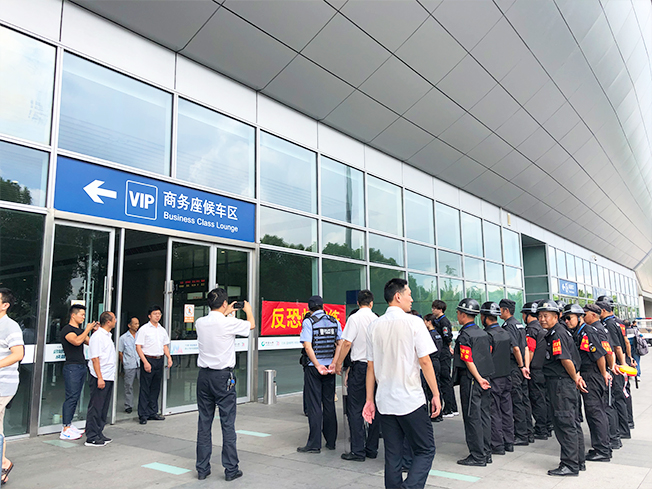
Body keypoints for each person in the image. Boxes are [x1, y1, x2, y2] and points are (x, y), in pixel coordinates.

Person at [363, 278, 440, 489]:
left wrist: (369, 400)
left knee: (393, 455)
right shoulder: (414, 322)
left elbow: (371, 367)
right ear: (398, 296)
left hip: (385, 401)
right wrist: (435, 394)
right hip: (410, 399)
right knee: (426, 449)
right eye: (409, 294)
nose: (411, 299)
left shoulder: (374, 326)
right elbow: (425, 361)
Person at [195, 289, 255, 482]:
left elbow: (216, 320)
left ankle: (202, 469)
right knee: (227, 423)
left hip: (204, 376)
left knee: (204, 422)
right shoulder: (228, 323)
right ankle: (231, 469)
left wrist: (226, 311)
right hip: (223, 377)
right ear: (224, 304)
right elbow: (251, 325)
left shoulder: (200, 322)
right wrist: (248, 310)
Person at [537, 299, 585, 476]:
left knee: (565, 423)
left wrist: (575, 378)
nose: (542, 319)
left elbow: (565, 359)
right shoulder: (559, 332)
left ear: (556, 317)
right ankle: (578, 461)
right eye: (540, 316)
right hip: (563, 383)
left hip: (561, 384)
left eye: (546, 316)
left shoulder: (557, 334)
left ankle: (570, 465)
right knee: (572, 422)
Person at [334, 290, 379, 462]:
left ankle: (358, 450)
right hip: (376, 368)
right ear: (371, 303)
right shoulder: (377, 319)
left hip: (360, 367)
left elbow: (347, 343)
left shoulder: (354, 318)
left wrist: (339, 363)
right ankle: (372, 448)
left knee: (355, 409)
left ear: (358, 303)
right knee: (374, 407)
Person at [561, 304, 610, 462]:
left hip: (592, 375)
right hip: (587, 374)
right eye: (565, 318)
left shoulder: (587, 332)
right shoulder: (578, 332)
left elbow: (600, 355)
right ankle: (601, 446)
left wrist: (603, 374)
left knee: (595, 412)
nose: (566, 321)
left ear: (579, 317)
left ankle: (602, 449)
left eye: (569, 318)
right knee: (593, 412)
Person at [297, 295, 343, 453]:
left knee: (315, 405)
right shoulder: (334, 321)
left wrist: (317, 365)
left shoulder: (309, 322)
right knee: (329, 404)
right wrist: (334, 363)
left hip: (314, 369)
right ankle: (331, 441)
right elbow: (340, 344)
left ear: (309, 308)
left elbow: (307, 346)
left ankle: (314, 444)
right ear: (323, 306)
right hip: (329, 368)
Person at [454, 298, 493, 466]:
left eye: (458, 313)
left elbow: (468, 359)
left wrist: (478, 378)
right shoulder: (484, 333)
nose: (457, 316)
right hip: (485, 378)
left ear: (463, 315)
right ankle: (486, 452)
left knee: (472, 417)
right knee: (484, 416)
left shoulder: (465, 335)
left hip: (472, 380)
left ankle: (477, 456)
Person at [584, 303, 620, 450]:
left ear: (593, 315)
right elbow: (610, 351)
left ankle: (609, 441)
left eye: (585, 314)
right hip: (601, 371)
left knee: (601, 409)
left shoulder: (596, 329)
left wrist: (606, 371)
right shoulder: (600, 328)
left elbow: (605, 353)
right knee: (605, 407)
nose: (582, 317)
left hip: (597, 372)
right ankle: (612, 438)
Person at [480, 301, 514, 457]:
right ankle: (509, 441)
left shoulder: (488, 335)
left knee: (494, 411)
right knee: (506, 410)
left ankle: (497, 444)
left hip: (494, 378)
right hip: (506, 376)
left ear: (485, 317)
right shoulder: (505, 333)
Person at [60, 304, 97, 440]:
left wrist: (95, 331)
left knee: (75, 396)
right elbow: (76, 341)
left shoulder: (80, 331)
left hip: (81, 366)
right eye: (81, 314)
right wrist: (87, 329)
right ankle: (65, 428)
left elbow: (90, 342)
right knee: (71, 397)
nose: (83, 317)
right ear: (73, 315)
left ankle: (70, 425)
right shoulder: (67, 330)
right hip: (72, 367)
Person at [596, 299, 631, 440]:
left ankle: (622, 430)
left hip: (615, 365)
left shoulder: (608, 324)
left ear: (603, 311)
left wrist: (621, 364)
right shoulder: (617, 321)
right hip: (619, 363)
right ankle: (625, 426)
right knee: (620, 396)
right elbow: (625, 341)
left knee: (616, 398)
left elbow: (615, 347)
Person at [0, 289, 24, 484]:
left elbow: (18, 354)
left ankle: (2, 464)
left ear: (5, 305)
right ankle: (3, 463)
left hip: (3, 384)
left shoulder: (10, 326)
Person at [499, 298, 531, 445]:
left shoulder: (508, 326)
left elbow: (516, 348)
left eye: (500, 309)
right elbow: (526, 348)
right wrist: (526, 366)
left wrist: (520, 365)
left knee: (517, 401)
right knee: (524, 400)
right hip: (522, 366)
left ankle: (521, 435)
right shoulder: (519, 324)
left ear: (506, 310)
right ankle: (528, 432)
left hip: (515, 367)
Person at [135, 305, 173, 425]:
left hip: (159, 359)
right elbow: (138, 347)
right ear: (149, 316)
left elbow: (165, 346)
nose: (157, 316)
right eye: (155, 314)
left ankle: (153, 412)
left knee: (155, 388)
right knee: (145, 388)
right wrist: (145, 362)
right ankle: (143, 414)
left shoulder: (162, 330)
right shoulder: (144, 329)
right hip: (148, 359)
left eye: (159, 314)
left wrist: (169, 357)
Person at [85, 311, 117, 447]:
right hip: (100, 376)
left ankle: (99, 432)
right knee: (96, 406)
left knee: (103, 407)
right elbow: (95, 358)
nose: (116, 321)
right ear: (108, 322)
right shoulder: (98, 337)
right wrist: (99, 377)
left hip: (108, 375)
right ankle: (91, 436)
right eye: (114, 319)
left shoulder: (107, 336)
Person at [522, 302, 550, 439]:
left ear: (527, 315)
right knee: (544, 399)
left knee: (537, 400)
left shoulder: (531, 329)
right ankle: (547, 426)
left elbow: (530, 350)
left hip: (535, 370)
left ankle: (541, 429)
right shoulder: (542, 328)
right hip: (544, 369)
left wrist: (526, 367)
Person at [431, 300, 458, 417]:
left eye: (434, 308)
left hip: (444, 353)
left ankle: (449, 408)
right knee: (445, 380)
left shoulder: (443, 321)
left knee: (445, 380)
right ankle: (452, 407)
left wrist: (448, 346)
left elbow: (447, 337)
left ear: (440, 309)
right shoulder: (438, 320)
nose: (433, 310)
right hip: (443, 351)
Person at [423, 314, 443, 422]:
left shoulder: (428, 335)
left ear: (429, 322)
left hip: (431, 361)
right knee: (437, 385)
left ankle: (433, 412)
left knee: (430, 387)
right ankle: (439, 412)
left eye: (425, 321)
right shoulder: (438, 334)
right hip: (437, 361)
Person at [118, 316, 140, 414]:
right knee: (128, 385)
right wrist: (124, 363)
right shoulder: (123, 338)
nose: (137, 326)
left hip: (140, 363)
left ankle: (142, 404)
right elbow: (120, 352)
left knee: (143, 385)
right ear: (129, 325)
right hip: (129, 364)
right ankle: (128, 405)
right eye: (135, 324)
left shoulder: (140, 335)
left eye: (138, 323)